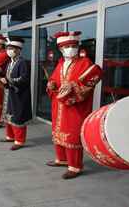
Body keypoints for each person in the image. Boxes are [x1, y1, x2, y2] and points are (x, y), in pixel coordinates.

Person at [46, 31, 102, 179]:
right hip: (58, 105)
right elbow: (54, 79)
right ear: (61, 49)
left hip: (75, 106)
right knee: (58, 132)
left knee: (72, 134)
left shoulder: (86, 63)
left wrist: (73, 86)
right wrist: (51, 84)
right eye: (67, 46)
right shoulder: (60, 64)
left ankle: (75, 166)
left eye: (74, 46)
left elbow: (91, 81)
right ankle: (62, 159)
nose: (71, 49)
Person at [0, 37, 32, 150]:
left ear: (18, 50)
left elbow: (24, 79)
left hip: (19, 94)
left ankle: (20, 141)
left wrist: (9, 81)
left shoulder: (23, 62)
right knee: (9, 115)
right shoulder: (10, 62)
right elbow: (6, 75)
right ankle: (10, 136)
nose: (8, 50)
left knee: (18, 116)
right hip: (10, 92)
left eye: (11, 48)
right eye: (7, 48)